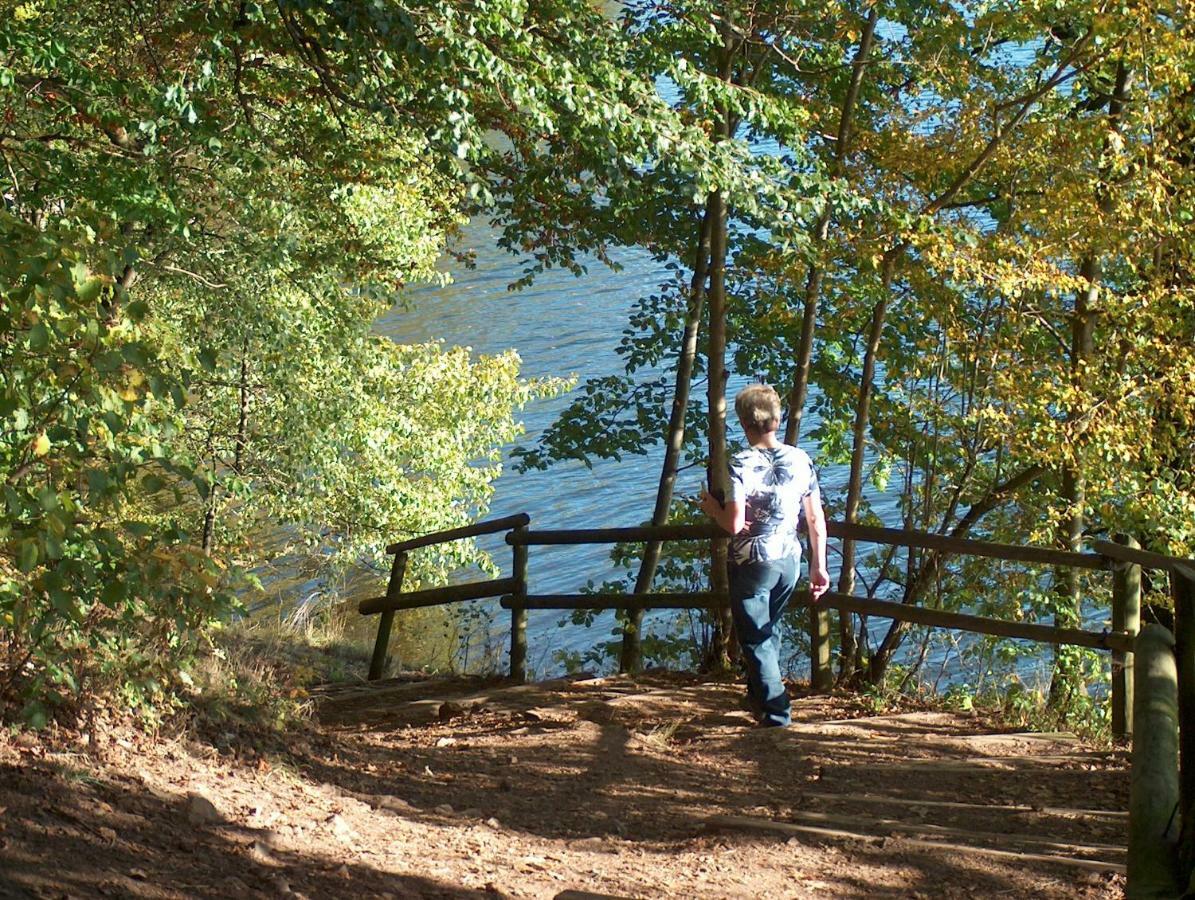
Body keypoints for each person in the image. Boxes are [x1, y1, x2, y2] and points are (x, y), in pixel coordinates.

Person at [700, 384, 829, 727]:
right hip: (789, 560)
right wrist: (819, 566)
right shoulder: (800, 459)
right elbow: (815, 518)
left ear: (744, 423)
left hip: (752, 562)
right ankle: (759, 697)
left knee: (756, 638)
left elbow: (734, 522)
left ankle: (777, 714)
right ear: (778, 417)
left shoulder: (738, 463)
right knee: (768, 629)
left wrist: (712, 508)